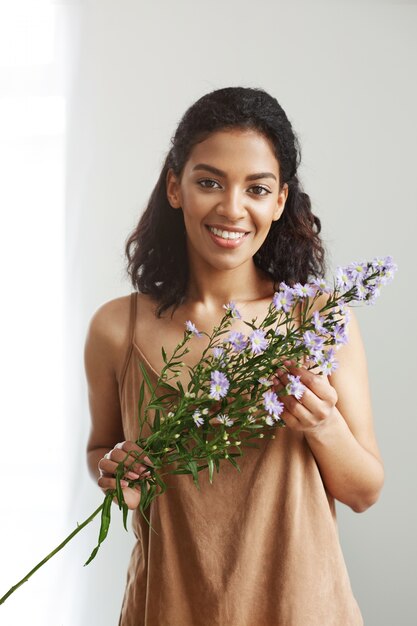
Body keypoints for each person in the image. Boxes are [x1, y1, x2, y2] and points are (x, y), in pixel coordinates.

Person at [84, 87, 384, 626]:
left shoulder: (317, 320)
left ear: (280, 201)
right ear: (175, 187)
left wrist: (323, 424)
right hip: (167, 608)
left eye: (256, 188)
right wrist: (115, 473)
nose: (231, 208)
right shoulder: (116, 328)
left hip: (302, 610)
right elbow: (102, 450)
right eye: (209, 182)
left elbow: (364, 491)